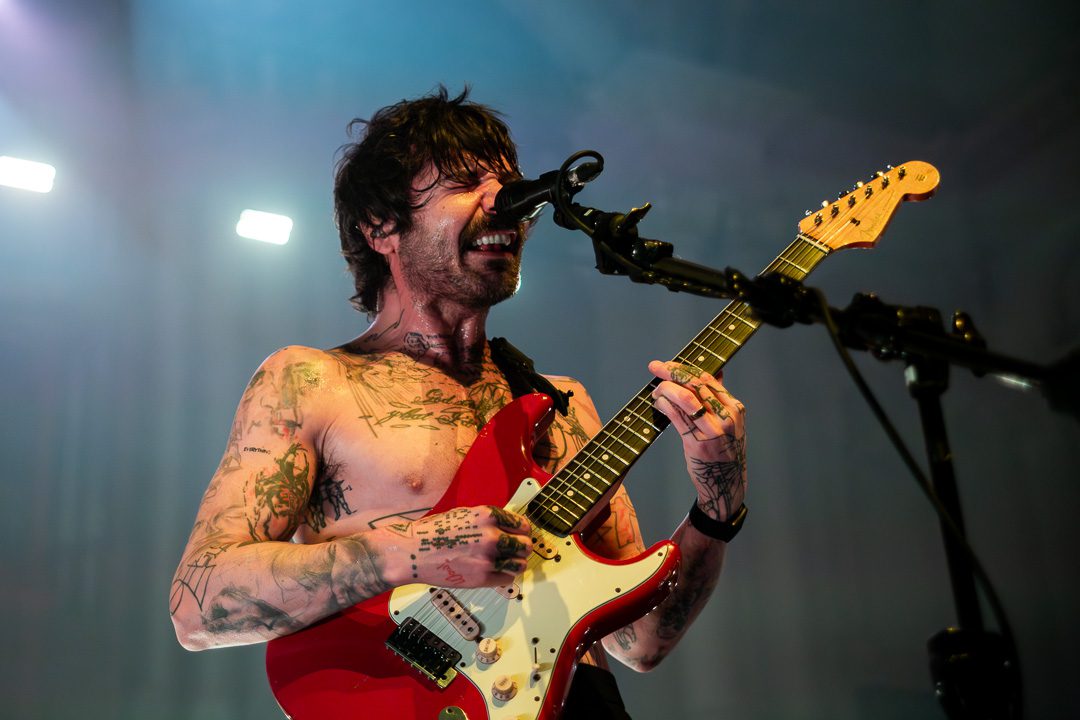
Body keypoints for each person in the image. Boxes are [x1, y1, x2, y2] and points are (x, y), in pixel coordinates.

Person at [169, 87, 748, 719]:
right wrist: (411, 551)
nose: (502, 201)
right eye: (466, 183)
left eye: (507, 184)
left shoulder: (562, 404)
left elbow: (642, 642)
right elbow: (200, 606)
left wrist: (717, 500)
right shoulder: (311, 381)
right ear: (381, 226)